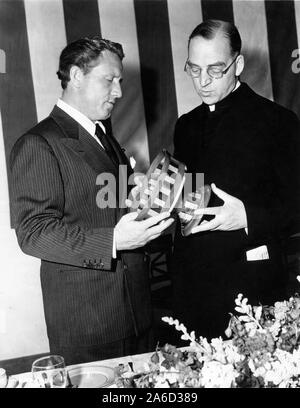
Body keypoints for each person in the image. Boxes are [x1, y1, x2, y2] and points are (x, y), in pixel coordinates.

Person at [9, 36, 174, 365]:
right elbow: (33, 233)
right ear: (75, 76)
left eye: (120, 81)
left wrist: (135, 194)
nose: (119, 92)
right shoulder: (38, 144)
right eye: (109, 80)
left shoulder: (104, 136)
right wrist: (115, 240)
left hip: (138, 312)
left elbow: (101, 204)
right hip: (89, 325)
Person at [171, 19, 300, 340]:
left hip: (251, 286)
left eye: (215, 69)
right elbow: (192, 197)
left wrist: (247, 216)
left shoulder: (277, 122)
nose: (202, 81)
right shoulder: (186, 125)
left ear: (238, 64)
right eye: (194, 68)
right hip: (193, 290)